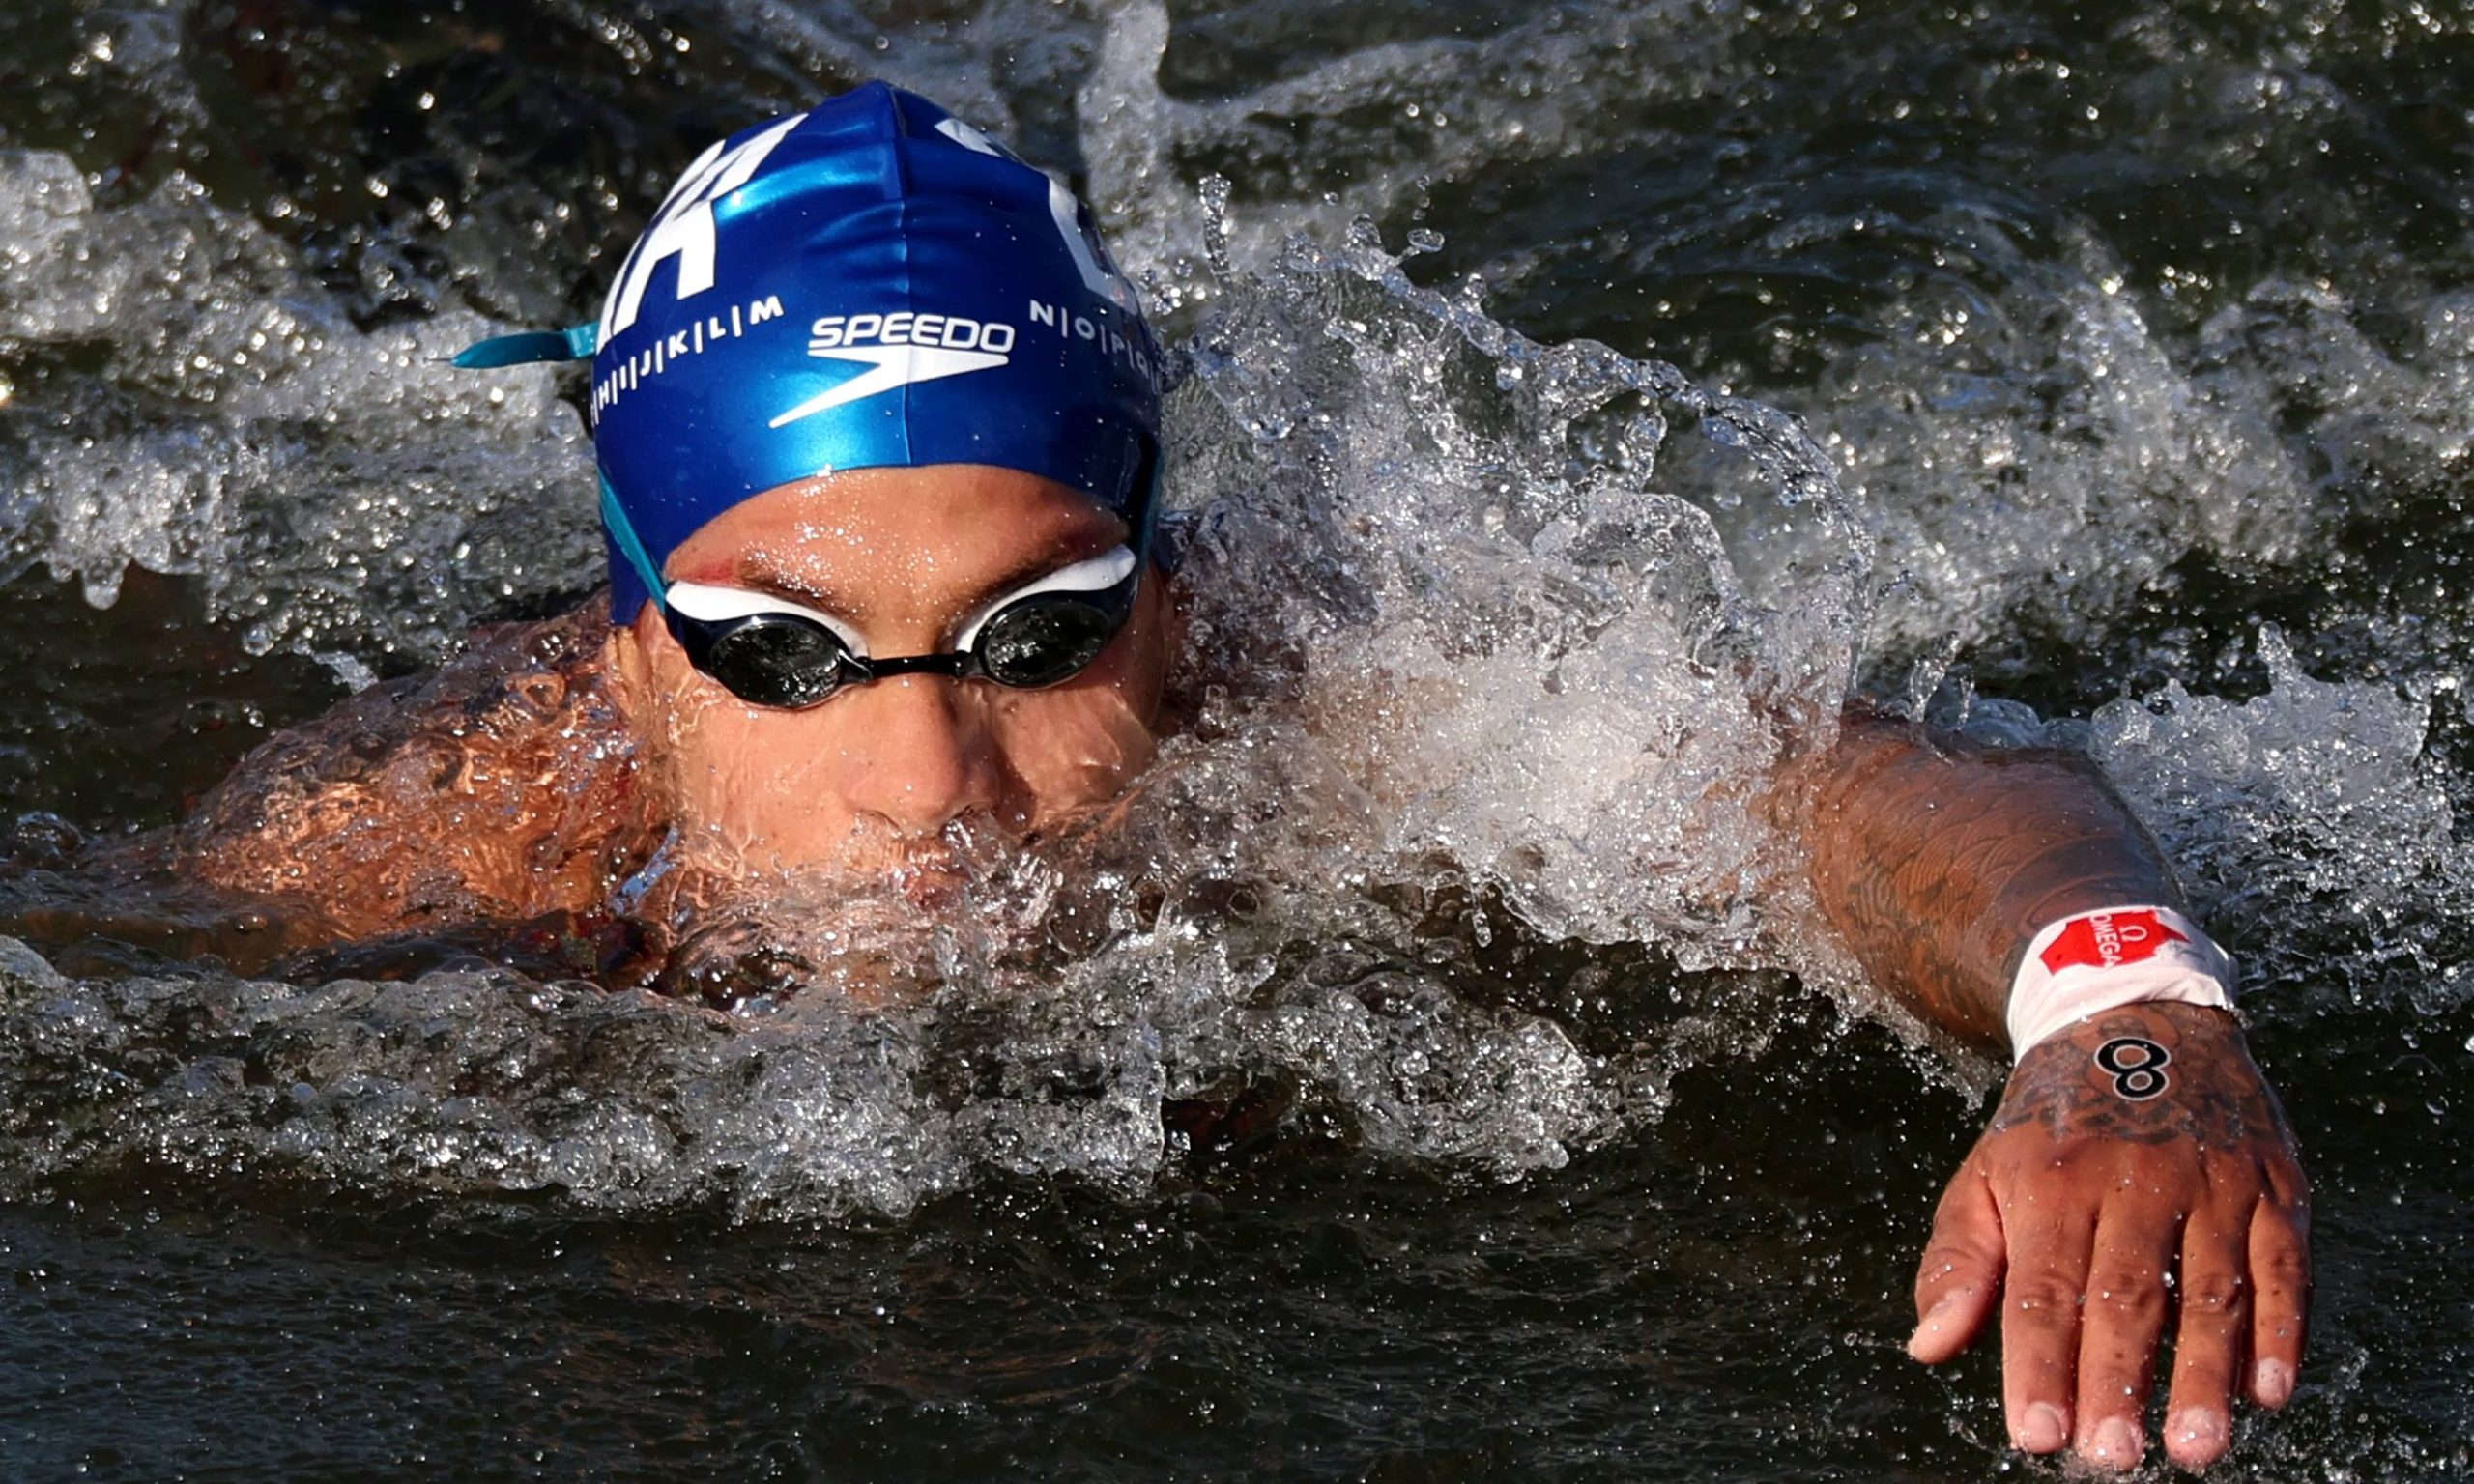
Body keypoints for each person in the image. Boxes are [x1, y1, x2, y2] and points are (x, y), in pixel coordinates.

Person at [83, 83, 2308, 1471]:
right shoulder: (410, 842)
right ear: (629, 651)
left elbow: (1874, 788)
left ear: (1170, 603)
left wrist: (2121, 1014)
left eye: (1041, 634)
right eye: (778, 654)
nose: (926, 788)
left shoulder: (1324, 701)